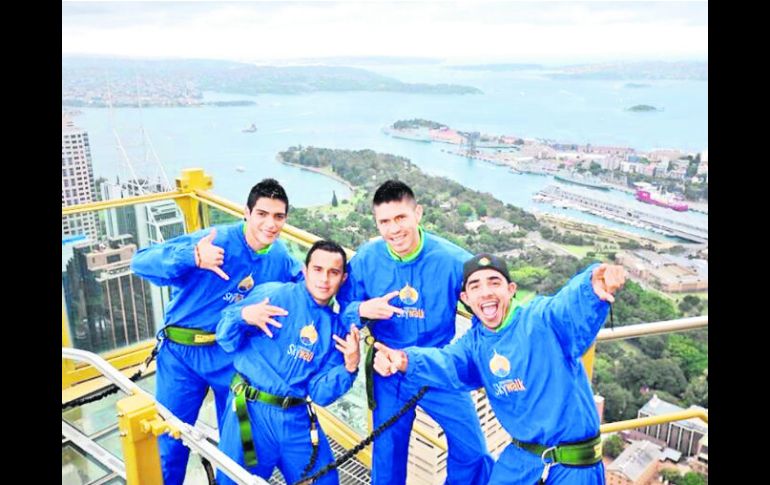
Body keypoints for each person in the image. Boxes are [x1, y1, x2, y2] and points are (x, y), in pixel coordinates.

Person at [373, 253, 627, 484]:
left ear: (511, 290)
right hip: (523, 460)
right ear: (465, 299)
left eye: (494, 282)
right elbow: (447, 363)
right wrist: (404, 359)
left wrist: (591, 288)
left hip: (575, 466)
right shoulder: (474, 345)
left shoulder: (540, 320)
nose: (485, 293)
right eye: (475, 286)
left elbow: (566, 309)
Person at [130, 178, 302, 485]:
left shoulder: (280, 258)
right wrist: (192, 257)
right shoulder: (216, 240)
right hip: (181, 357)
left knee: (242, 448)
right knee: (169, 444)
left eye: (278, 216)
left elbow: (311, 288)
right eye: (262, 214)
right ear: (246, 213)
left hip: (230, 362)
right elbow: (140, 262)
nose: (270, 224)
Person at [336, 180, 493, 485]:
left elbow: (490, 308)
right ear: (376, 223)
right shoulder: (367, 260)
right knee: (388, 458)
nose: (394, 229)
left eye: (400, 218)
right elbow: (340, 311)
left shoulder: (453, 260)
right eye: (384, 222)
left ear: (417, 214)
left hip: (438, 366)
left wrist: (465, 357)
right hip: (387, 369)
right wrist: (363, 311)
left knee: (473, 449)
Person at [215, 240, 360, 485]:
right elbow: (224, 338)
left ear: (343, 279)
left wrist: (350, 367)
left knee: (325, 480)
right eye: (317, 269)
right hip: (250, 411)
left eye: (333, 272)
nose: (324, 279)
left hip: (296, 417)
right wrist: (243, 316)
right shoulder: (274, 294)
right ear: (304, 271)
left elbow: (320, 393)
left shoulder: (337, 328)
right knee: (235, 480)